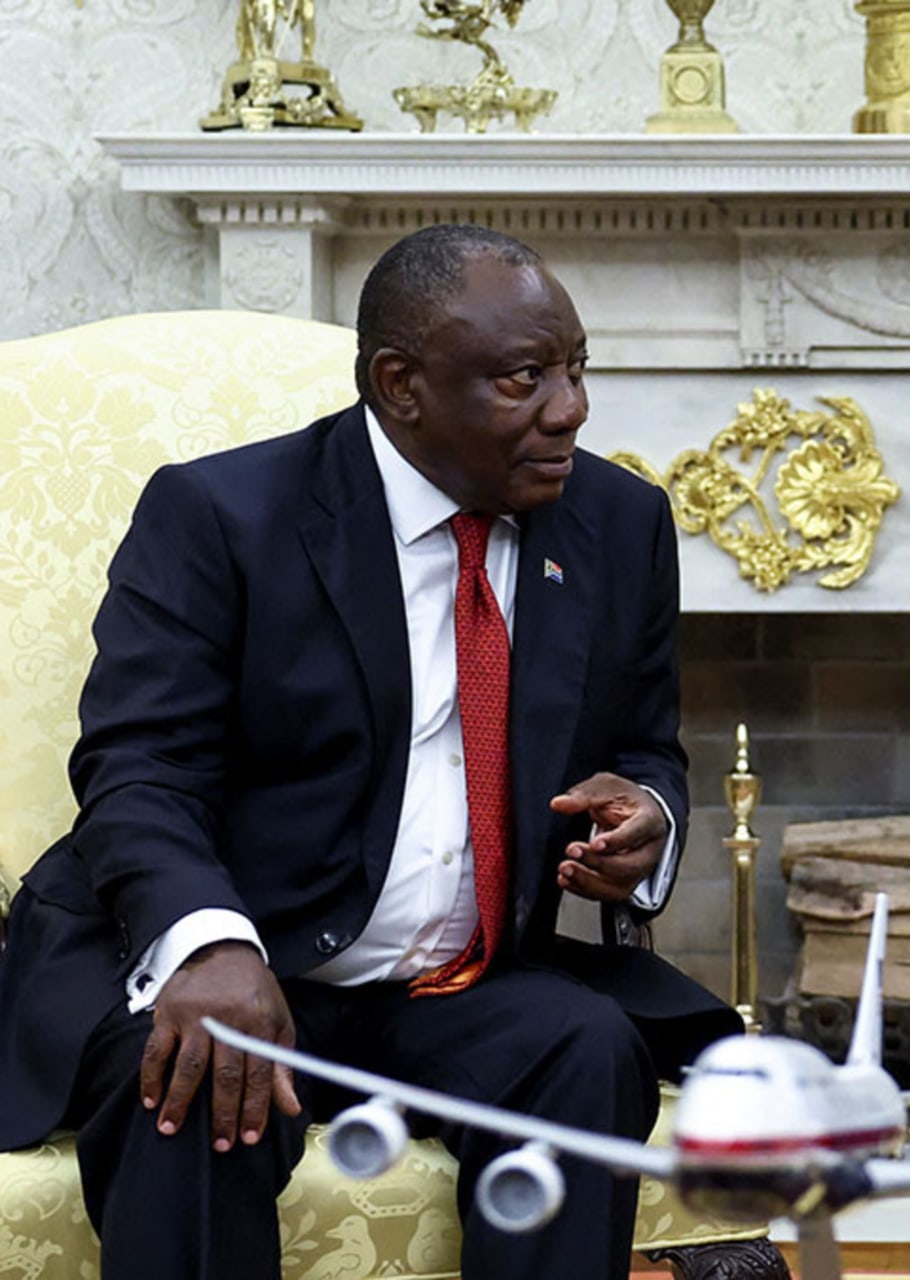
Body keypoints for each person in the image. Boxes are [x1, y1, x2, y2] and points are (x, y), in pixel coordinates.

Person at [0, 225, 742, 1280]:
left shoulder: (620, 524)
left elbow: (644, 745)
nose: (569, 408)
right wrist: (209, 944)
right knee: (199, 1068)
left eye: (576, 369)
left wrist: (648, 818)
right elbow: (138, 769)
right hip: (231, 959)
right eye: (525, 377)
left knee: (584, 1047)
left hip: (452, 984)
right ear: (403, 385)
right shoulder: (224, 516)